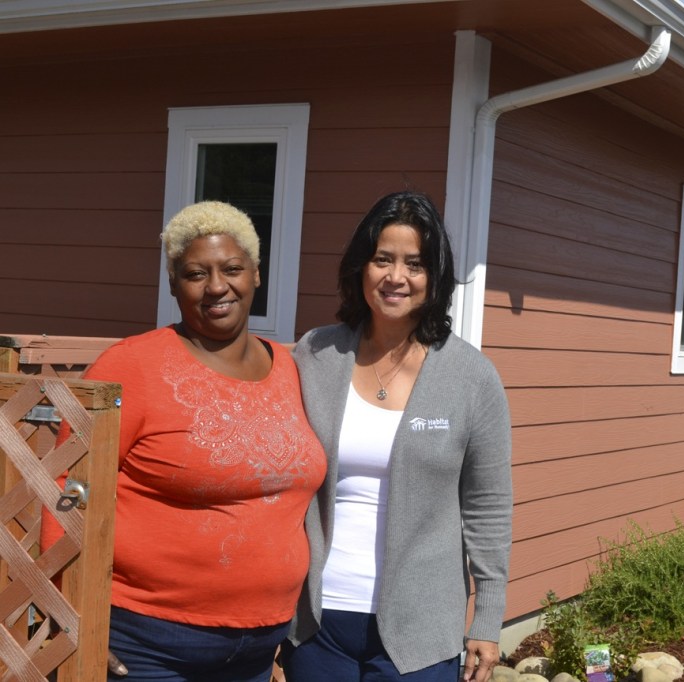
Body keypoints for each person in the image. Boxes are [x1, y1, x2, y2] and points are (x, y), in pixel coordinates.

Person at [43, 200, 327, 681]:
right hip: (148, 643)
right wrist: (71, 612)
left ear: (256, 275)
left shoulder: (294, 369)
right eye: (197, 273)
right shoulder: (131, 365)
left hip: (260, 646)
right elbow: (67, 486)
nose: (217, 286)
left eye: (232, 269)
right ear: (174, 283)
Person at [282, 191, 513, 682]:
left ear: (435, 277)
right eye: (383, 259)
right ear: (360, 268)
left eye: (415, 264)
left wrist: (487, 620)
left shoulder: (471, 376)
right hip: (318, 622)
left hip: (421, 629)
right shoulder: (315, 355)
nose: (396, 277)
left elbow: (487, 507)